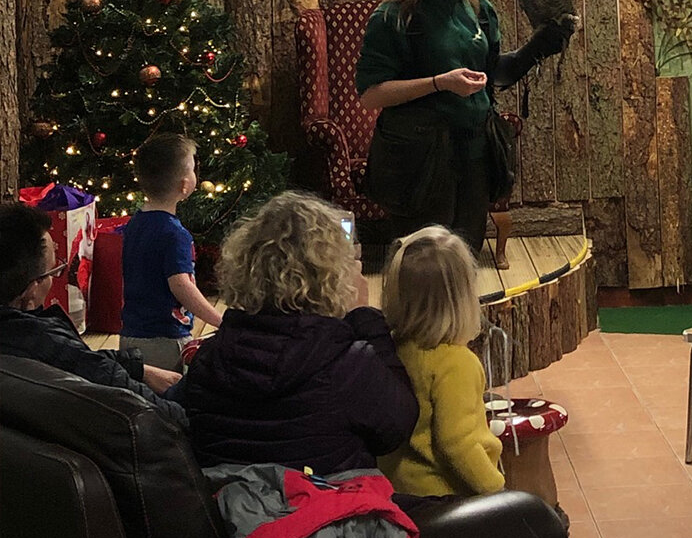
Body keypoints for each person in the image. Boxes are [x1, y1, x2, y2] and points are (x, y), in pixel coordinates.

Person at [356, 0, 569, 251]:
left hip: (474, 156)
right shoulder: (393, 17)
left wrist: (536, 48)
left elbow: (493, 76)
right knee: (423, 262)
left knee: (465, 258)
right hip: (419, 162)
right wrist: (439, 83)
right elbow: (371, 95)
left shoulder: (479, 10)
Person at [174, 190, 419, 475]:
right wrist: (363, 315)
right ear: (332, 275)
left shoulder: (209, 359)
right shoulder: (347, 364)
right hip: (327, 501)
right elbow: (397, 428)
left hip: (231, 503)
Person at [0, 202, 185, 425]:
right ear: (31, 289)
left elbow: (83, 359)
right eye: (54, 271)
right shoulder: (44, 342)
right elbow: (159, 413)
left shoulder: (24, 338)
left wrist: (139, 369)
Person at [379, 225, 505, 498]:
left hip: (399, 490)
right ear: (463, 298)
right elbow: (457, 443)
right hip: (447, 497)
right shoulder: (457, 364)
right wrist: (498, 491)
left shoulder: (393, 348)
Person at [121, 133, 223, 372]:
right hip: (166, 339)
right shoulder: (175, 234)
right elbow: (181, 285)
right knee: (172, 391)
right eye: (193, 169)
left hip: (130, 335)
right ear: (185, 185)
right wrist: (220, 320)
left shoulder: (135, 223)